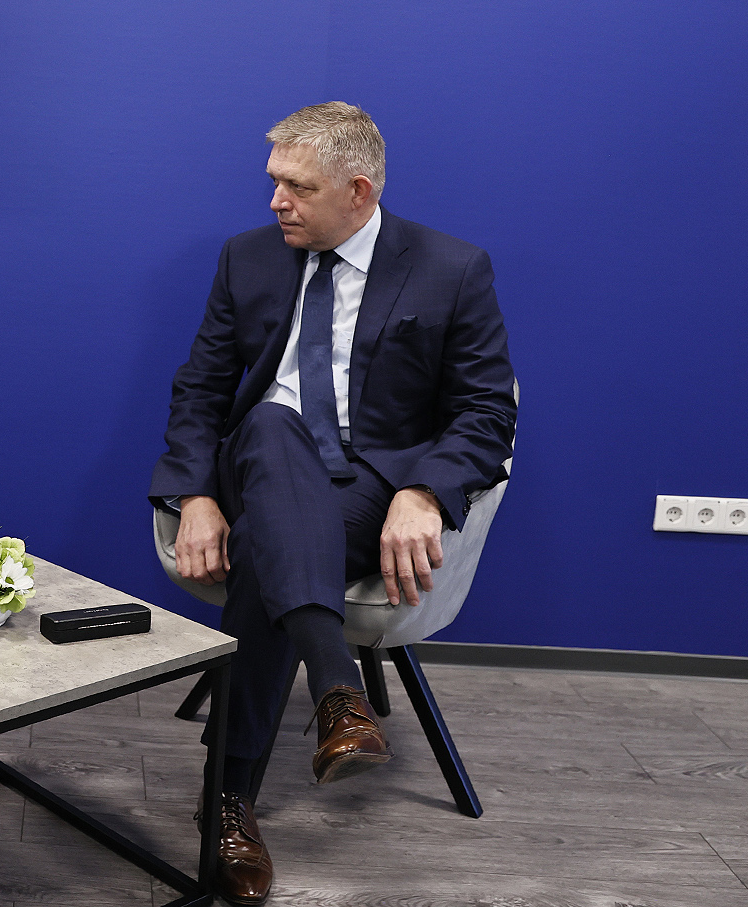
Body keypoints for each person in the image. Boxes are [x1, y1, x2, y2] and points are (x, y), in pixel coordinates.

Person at [150, 102, 515, 904]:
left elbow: (486, 410)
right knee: (272, 422)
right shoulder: (247, 257)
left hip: (365, 491)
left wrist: (423, 490)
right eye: (274, 181)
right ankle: (336, 690)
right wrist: (196, 494)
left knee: (266, 547)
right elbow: (201, 391)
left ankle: (228, 797)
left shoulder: (452, 267)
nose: (275, 201)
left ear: (359, 191)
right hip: (257, 464)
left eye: (297, 187)